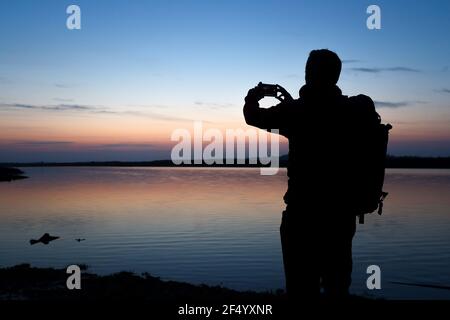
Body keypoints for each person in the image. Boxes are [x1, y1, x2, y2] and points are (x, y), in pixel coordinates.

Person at [243, 49, 380, 300]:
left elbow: (252, 117)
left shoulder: (295, 111)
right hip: (340, 216)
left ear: (308, 74)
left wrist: (253, 96)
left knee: (300, 289)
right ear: (336, 77)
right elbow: (367, 108)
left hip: (302, 216)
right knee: (337, 288)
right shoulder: (352, 110)